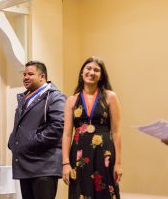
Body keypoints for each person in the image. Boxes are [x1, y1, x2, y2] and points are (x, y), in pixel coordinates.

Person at [62, 56, 122, 199]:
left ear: (101, 76)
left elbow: (116, 132)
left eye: (96, 70)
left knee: (106, 191)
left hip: (104, 152)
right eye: (88, 68)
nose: (91, 72)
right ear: (82, 72)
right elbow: (67, 134)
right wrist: (65, 163)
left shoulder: (110, 97)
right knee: (80, 192)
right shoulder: (72, 100)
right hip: (79, 154)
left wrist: (118, 163)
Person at [8, 61, 66, 199]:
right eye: (24, 74)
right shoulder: (25, 98)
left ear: (42, 77)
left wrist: (32, 141)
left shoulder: (55, 97)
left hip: (44, 166)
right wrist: (12, 142)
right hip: (26, 164)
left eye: (30, 74)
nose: (25, 77)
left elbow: (59, 124)